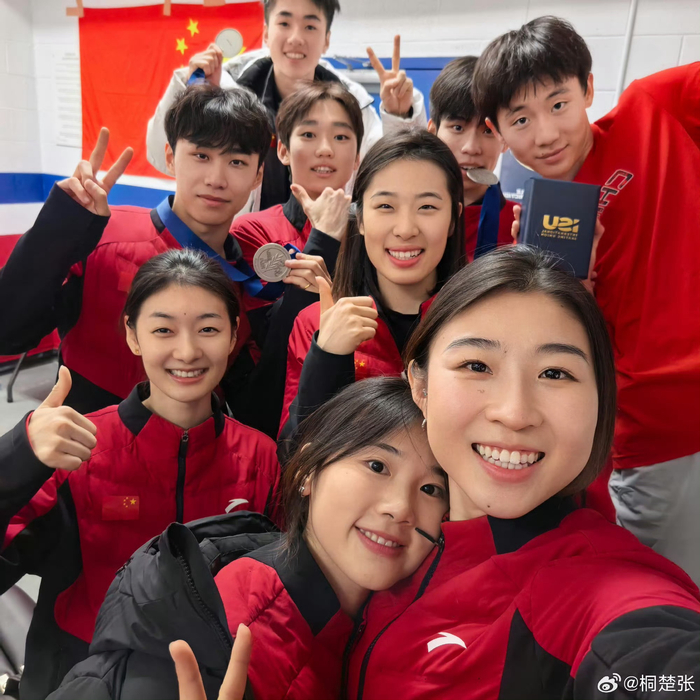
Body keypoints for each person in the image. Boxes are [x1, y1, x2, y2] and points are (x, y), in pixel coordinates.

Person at [344, 246, 700, 700]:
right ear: (420, 385)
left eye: (555, 373)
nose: (515, 413)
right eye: (476, 366)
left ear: (600, 400)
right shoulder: (385, 527)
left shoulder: (597, 586)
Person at [471, 17, 700, 584]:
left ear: (589, 89)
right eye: (521, 120)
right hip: (658, 435)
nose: (546, 133)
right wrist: (576, 283)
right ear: (497, 130)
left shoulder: (654, 110)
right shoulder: (524, 236)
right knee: (675, 599)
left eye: (559, 104)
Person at [47, 378, 448, 700]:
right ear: (307, 473)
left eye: (432, 489)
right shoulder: (219, 630)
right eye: (377, 465)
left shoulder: (379, 616)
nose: (400, 508)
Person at [0, 249, 281, 700]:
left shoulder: (261, 458)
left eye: (208, 329)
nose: (187, 351)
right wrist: (19, 454)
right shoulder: (79, 451)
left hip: (211, 681)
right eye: (163, 329)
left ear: (233, 335)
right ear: (133, 335)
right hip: (83, 678)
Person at [0, 85, 329, 418]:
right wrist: (57, 229)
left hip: (194, 448)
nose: (216, 179)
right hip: (83, 441)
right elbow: (8, 333)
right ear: (170, 157)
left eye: (236, 161)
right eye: (201, 156)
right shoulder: (105, 235)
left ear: (258, 175)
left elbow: (255, 401)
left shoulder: (253, 283)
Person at [147, 0, 427, 212]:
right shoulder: (225, 87)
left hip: (328, 244)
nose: (296, 38)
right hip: (239, 244)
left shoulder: (352, 103)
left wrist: (399, 116)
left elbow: (391, 174)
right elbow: (162, 156)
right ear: (266, 33)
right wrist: (189, 91)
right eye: (284, 23)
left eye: (310, 26)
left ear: (327, 40)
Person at [280, 129, 466, 437]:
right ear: (361, 218)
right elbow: (294, 453)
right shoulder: (317, 323)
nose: (405, 229)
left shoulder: (479, 322)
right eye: (385, 206)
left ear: (453, 220)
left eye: (427, 207)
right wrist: (327, 356)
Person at [232, 81, 361, 269]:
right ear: (284, 151)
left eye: (340, 137)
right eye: (309, 135)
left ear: (357, 157)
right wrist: (324, 238)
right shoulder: (252, 231)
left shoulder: (374, 231)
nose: (325, 150)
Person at [427, 56, 515, 261]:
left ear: (505, 140)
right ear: (433, 133)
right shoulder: (407, 218)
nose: (471, 148)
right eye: (458, 127)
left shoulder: (520, 225)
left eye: (488, 131)